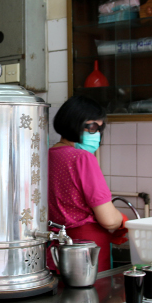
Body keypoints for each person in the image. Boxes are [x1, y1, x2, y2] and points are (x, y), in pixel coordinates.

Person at [47, 95, 128, 273]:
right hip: (86, 248)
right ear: (72, 123)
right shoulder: (82, 158)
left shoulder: (45, 156)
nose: (96, 134)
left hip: (53, 247)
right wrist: (123, 221)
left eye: (99, 128)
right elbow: (108, 220)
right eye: (91, 127)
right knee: (90, 298)